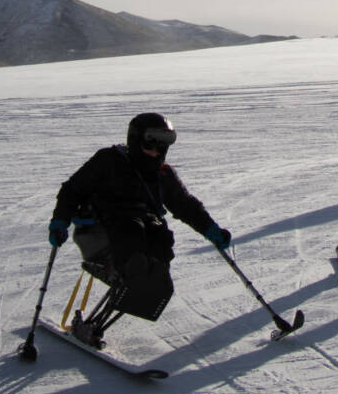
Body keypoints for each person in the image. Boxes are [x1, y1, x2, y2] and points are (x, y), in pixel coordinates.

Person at [47, 112, 231, 347]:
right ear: (135, 139)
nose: (158, 149)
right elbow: (72, 190)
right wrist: (59, 221)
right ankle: (119, 270)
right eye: (151, 142)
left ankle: (103, 315)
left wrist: (211, 229)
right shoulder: (109, 161)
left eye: (164, 143)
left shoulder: (162, 173)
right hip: (99, 232)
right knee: (132, 233)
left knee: (160, 246)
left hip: (137, 234)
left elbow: (185, 204)